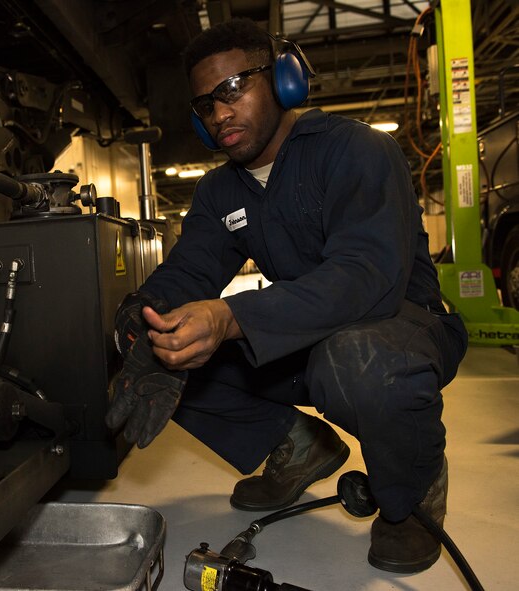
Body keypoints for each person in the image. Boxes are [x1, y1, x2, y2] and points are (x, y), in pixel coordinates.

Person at [105, 18, 468, 574]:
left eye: (233, 89)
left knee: (356, 359)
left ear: (284, 79)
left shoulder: (357, 150)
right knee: (166, 349)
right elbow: (191, 269)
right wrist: (144, 316)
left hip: (399, 329)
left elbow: (364, 276)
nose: (220, 113)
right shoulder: (220, 189)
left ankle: (412, 498)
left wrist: (230, 317)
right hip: (305, 336)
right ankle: (298, 446)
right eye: (205, 104)